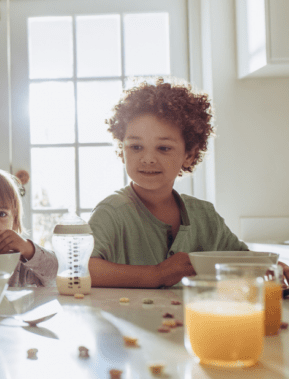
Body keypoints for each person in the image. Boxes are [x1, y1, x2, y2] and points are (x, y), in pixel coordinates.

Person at [88, 79, 289, 288]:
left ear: (189, 155)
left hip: (190, 320)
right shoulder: (111, 212)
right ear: (122, 151)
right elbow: (82, 269)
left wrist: (269, 266)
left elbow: (239, 259)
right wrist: (155, 275)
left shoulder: (205, 216)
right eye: (136, 147)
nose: (147, 158)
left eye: (163, 148)